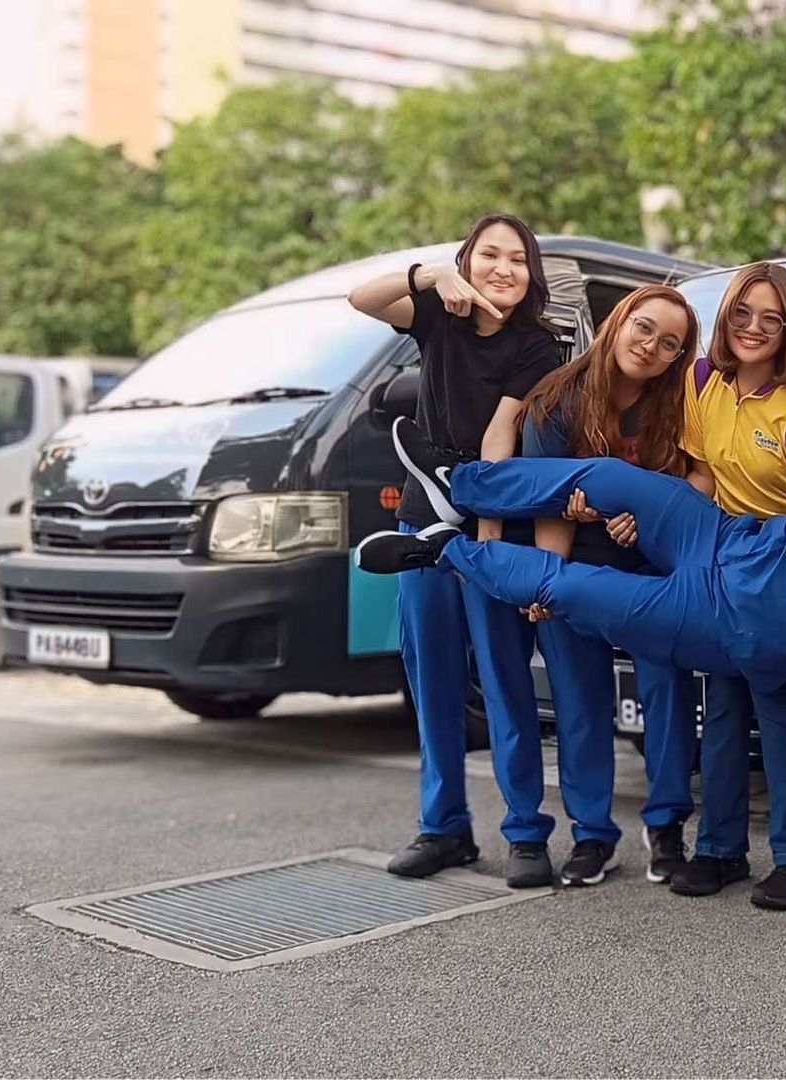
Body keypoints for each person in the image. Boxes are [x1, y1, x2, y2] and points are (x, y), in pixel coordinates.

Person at [354, 380, 786, 875]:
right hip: (728, 539)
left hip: (731, 620)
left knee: (574, 589)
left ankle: (441, 552)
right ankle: (457, 485)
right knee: (608, 477)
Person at [346, 213, 566, 888]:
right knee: (433, 680)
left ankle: (526, 831)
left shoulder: (539, 346)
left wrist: (490, 524)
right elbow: (361, 297)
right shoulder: (438, 318)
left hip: (489, 518)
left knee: (502, 678)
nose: (503, 268)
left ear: (531, 274)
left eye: (517, 258)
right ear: (468, 261)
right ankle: (443, 829)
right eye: (488, 255)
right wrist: (430, 274)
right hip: (421, 525)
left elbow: (503, 435)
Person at [669, 262, 786, 910]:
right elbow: (703, 475)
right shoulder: (702, 381)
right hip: (721, 563)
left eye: (772, 318)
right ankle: (719, 851)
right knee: (721, 709)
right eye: (743, 312)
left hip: (785, 565)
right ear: (726, 314)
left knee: (776, 705)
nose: (754, 328)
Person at [518, 285, 703, 888]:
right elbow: (546, 501)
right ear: (619, 322)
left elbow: (694, 483)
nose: (652, 347)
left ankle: (667, 825)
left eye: (670, 343)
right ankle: (593, 834)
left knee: (667, 695)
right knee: (577, 701)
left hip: (649, 568)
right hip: (576, 566)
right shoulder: (555, 402)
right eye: (644, 329)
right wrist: (549, 580)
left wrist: (646, 516)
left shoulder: (678, 405)